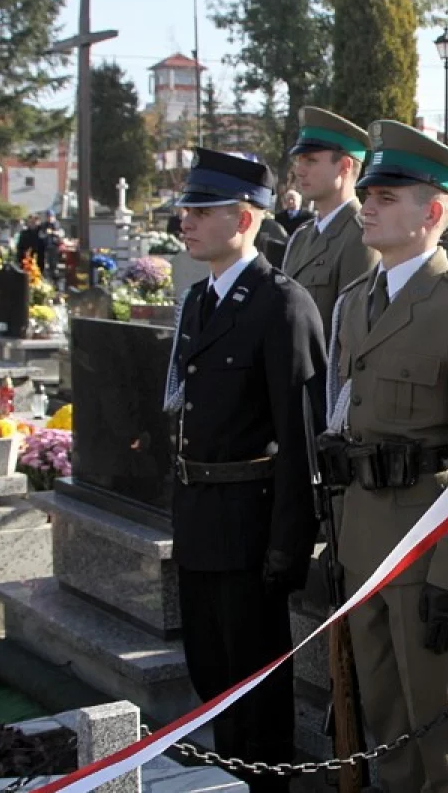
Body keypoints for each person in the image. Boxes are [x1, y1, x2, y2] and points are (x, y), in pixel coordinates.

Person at [327, 120, 448, 793]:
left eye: (384, 195)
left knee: (437, 741)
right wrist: (338, 540)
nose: (366, 206)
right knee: (384, 721)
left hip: (424, 548)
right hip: (362, 543)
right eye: (367, 193)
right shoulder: (355, 304)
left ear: (432, 212)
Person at [163, 147, 326, 793]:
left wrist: (289, 546)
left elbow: (301, 435)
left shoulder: (281, 304)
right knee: (211, 679)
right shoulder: (198, 300)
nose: (187, 220)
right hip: (201, 522)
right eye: (186, 208)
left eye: (202, 210)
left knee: (256, 693)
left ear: (248, 216)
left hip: (251, 531)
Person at [284, 106, 379, 338]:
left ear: (345, 166)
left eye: (311, 161)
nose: (299, 170)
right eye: (299, 161)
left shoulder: (362, 236)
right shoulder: (302, 235)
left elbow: (350, 336)